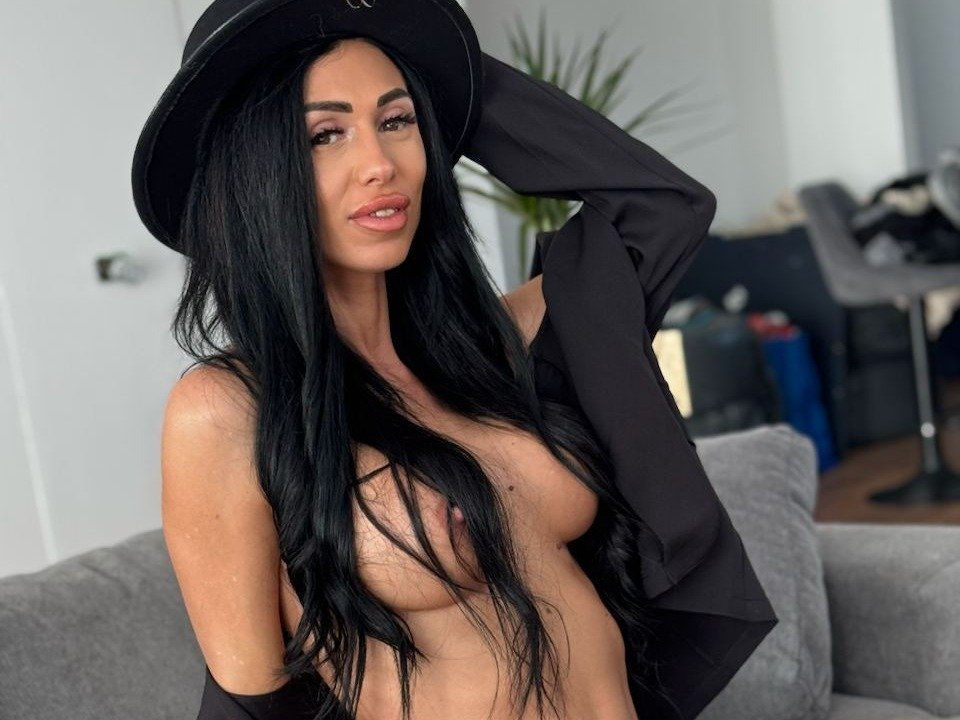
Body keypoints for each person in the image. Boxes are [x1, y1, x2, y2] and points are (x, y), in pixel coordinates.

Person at [132, 2, 778, 719]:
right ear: (252, 169)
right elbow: (253, 702)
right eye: (325, 134)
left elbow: (660, 209)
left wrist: (445, 73)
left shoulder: (495, 345)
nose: (381, 165)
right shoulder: (225, 410)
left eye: (398, 120)